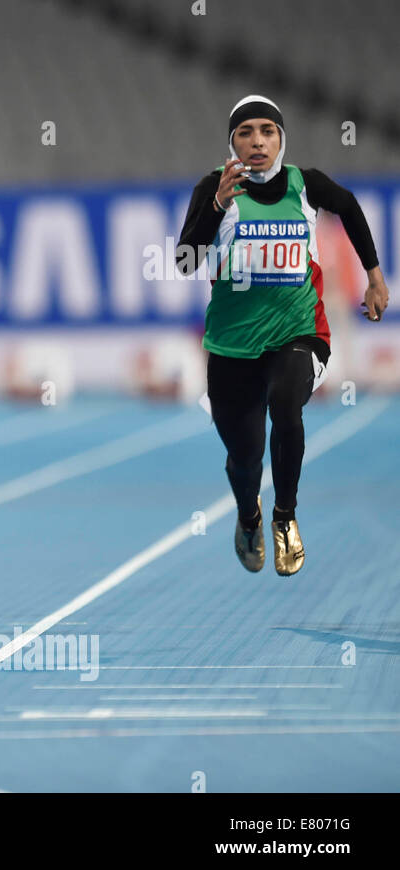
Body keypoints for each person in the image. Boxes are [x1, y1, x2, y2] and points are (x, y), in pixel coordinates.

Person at [176, 95, 388, 576]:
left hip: (300, 332)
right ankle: (249, 514)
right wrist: (214, 207)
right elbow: (185, 261)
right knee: (244, 456)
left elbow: (350, 206)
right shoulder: (214, 187)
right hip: (232, 345)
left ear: (280, 139)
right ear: (232, 141)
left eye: (267, 131)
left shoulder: (305, 185)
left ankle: (284, 517)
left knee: (286, 405)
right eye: (245, 132)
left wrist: (374, 276)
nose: (257, 141)